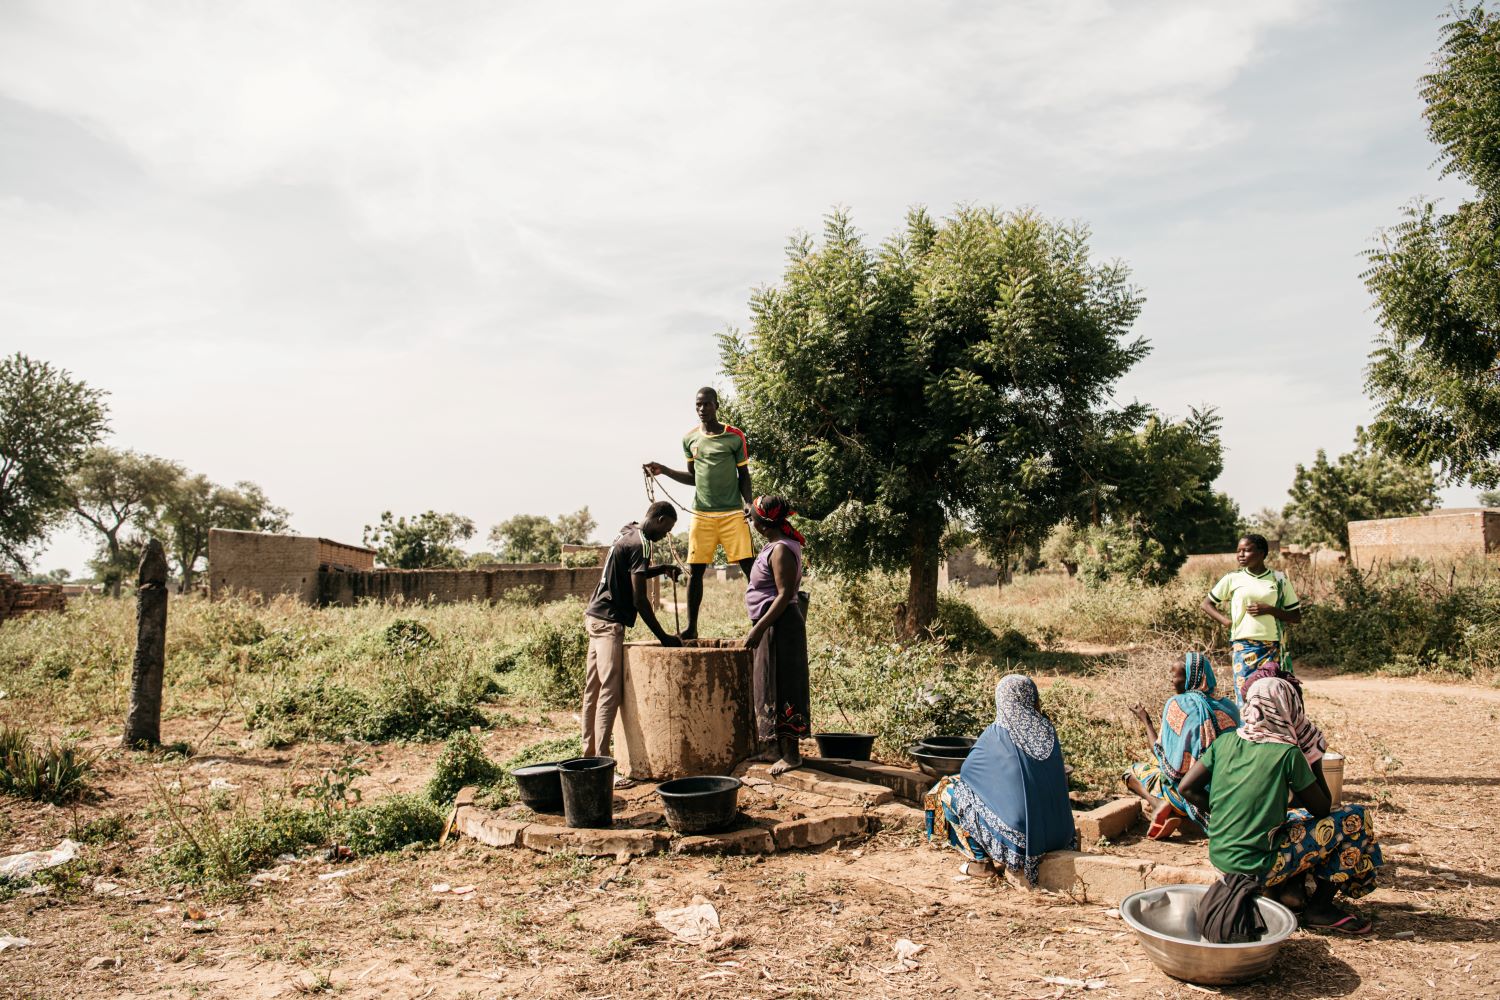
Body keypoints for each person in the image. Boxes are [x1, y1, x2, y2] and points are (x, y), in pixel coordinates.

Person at [1178, 676, 1382, 935]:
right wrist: (1314, 754)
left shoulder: (1224, 742)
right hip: (1259, 865)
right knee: (1355, 818)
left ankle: (1287, 891)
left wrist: (1221, 812)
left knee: (1295, 816)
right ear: (1289, 708)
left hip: (1221, 858)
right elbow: (1322, 808)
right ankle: (1320, 908)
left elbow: (1186, 788)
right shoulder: (1287, 753)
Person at [924, 675, 1076, 885]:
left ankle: (980, 863)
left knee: (945, 790)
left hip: (1024, 840)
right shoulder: (1047, 730)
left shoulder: (997, 733)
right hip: (1061, 834)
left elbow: (967, 773)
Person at [643, 387, 754, 640]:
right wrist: (664, 470)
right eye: (698, 405)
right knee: (696, 571)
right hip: (702, 515)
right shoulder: (690, 439)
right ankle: (691, 627)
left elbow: (744, 475)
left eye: (707, 404)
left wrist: (748, 503)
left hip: (732, 514)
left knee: (750, 567)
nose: (702, 409)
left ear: (716, 405)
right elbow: (694, 477)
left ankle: (760, 622)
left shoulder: (735, 436)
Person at [580, 502, 683, 765]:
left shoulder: (628, 531)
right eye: (667, 529)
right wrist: (664, 637)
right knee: (610, 691)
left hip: (595, 616)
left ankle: (587, 756)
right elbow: (639, 599)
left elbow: (631, 570)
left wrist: (661, 569)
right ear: (660, 519)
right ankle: (602, 762)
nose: (666, 535)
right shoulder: (643, 544)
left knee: (593, 689)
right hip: (609, 622)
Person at [1123, 652, 1240, 839]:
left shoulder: (1177, 705)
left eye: (1175, 676)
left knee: (1132, 772)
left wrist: (1146, 721)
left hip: (1188, 797)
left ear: (1190, 680)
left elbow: (1162, 755)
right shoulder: (1231, 707)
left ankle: (1158, 804)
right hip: (1230, 793)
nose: (1171, 680)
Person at [742, 496, 809, 775]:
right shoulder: (774, 544)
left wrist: (758, 629)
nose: (750, 522)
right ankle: (774, 748)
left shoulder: (781, 549)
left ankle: (791, 755)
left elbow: (784, 595)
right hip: (772, 624)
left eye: (753, 519)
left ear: (763, 525)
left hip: (781, 626)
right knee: (769, 684)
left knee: (785, 686)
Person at [1200, 534, 1302, 706]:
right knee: (1245, 695)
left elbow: (1295, 616)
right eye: (1238, 551)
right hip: (1243, 646)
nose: (1240, 555)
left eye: (1246, 550)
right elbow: (1206, 604)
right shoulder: (1232, 578)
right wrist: (1226, 622)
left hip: (1272, 647)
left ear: (1261, 553)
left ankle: (1270, 724)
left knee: (1271, 696)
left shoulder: (1278, 579)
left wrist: (1269, 609)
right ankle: (1246, 724)